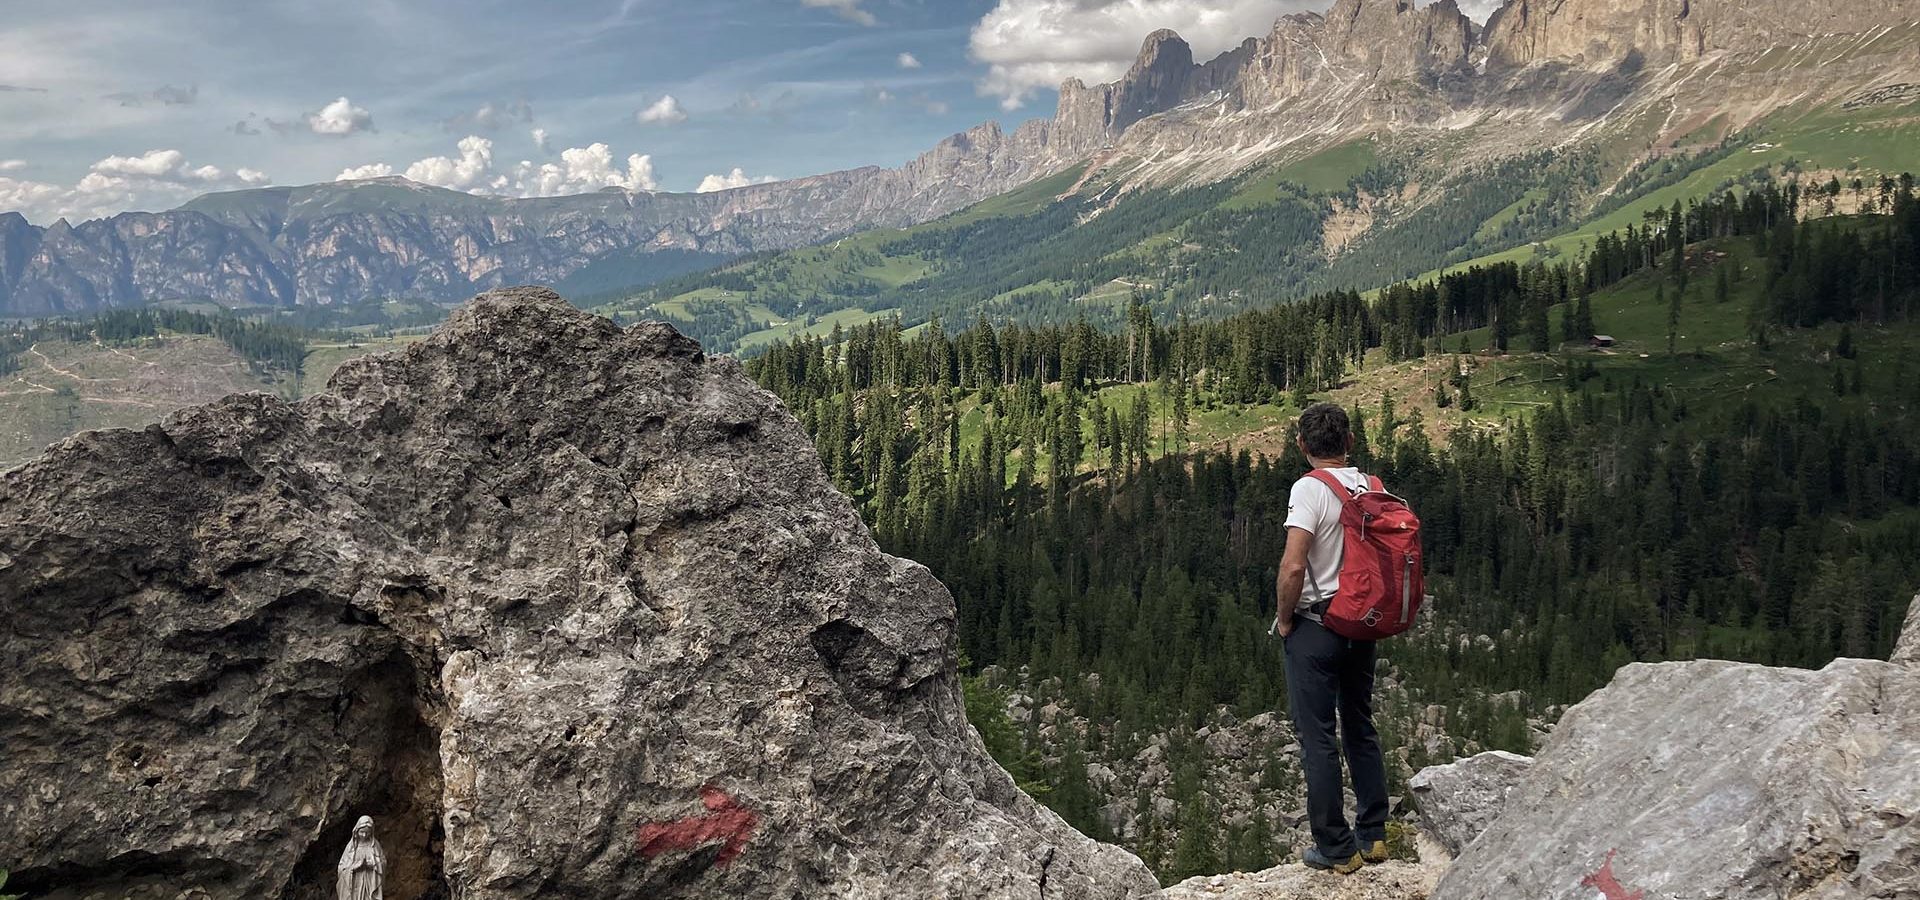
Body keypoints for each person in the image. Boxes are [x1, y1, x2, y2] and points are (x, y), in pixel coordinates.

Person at [1273, 402, 1389, 874]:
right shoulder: (1372, 487)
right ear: (1350, 443)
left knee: (1317, 738)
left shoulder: (1309, 488)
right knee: (1359, 724)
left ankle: (1336, 848)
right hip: (1362, 625)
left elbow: (1294, 564)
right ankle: (1374, 834)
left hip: (1317, 626)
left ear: (1303, 446)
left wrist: (1284, 619)